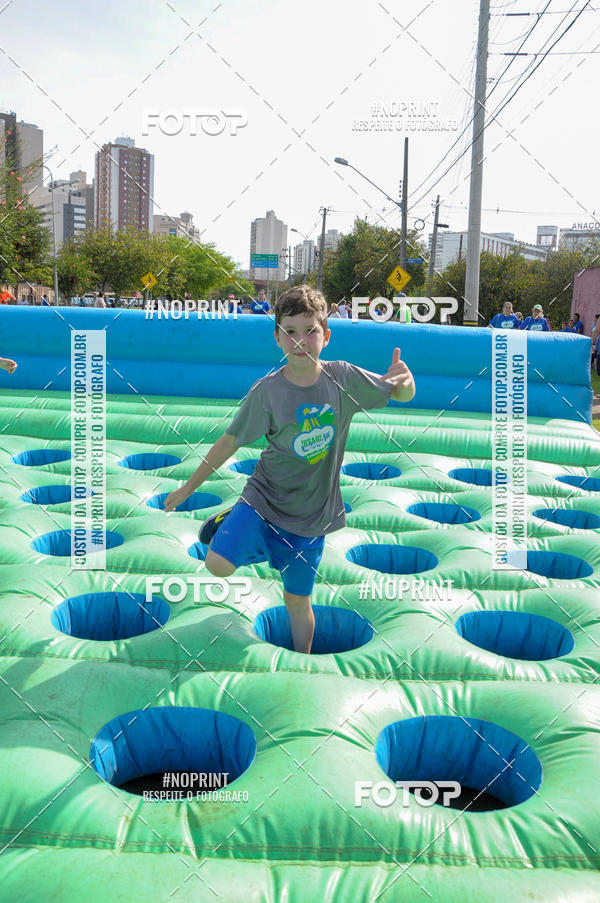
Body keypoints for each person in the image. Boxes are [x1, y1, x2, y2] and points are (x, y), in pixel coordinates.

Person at [163, 285, 415, 653]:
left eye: (310, 331)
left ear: (326, 336)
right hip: (264, 499)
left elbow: (399, 393)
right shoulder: (267, 392)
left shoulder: (342, 379)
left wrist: (405, 381)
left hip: (312, 517)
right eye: (290, 332)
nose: (300, 340)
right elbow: (229, 442)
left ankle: (303, 661)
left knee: (297, 601)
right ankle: (236, 524)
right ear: (278, 338)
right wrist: (186, 489)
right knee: (217, 564)